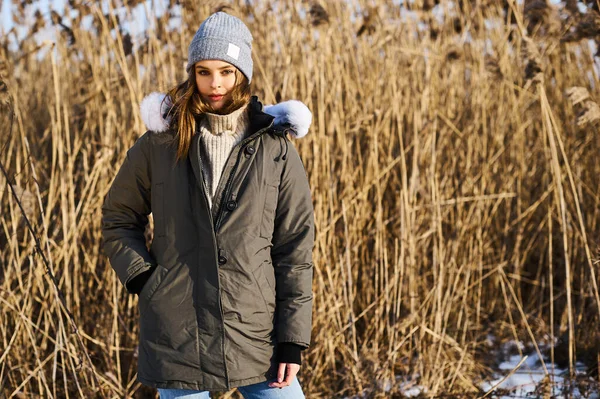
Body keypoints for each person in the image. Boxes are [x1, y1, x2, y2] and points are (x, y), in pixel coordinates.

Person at [101, 11, 315, 399]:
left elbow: (294, 249)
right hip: (178, 329)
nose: (214, 83)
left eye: (225, 71)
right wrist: (144, 278)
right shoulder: (159, 144)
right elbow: (118, 218)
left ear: (241, 74)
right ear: (192, 72)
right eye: (203, 71)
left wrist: (292, 338)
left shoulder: (274, 148)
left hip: (255, 330)